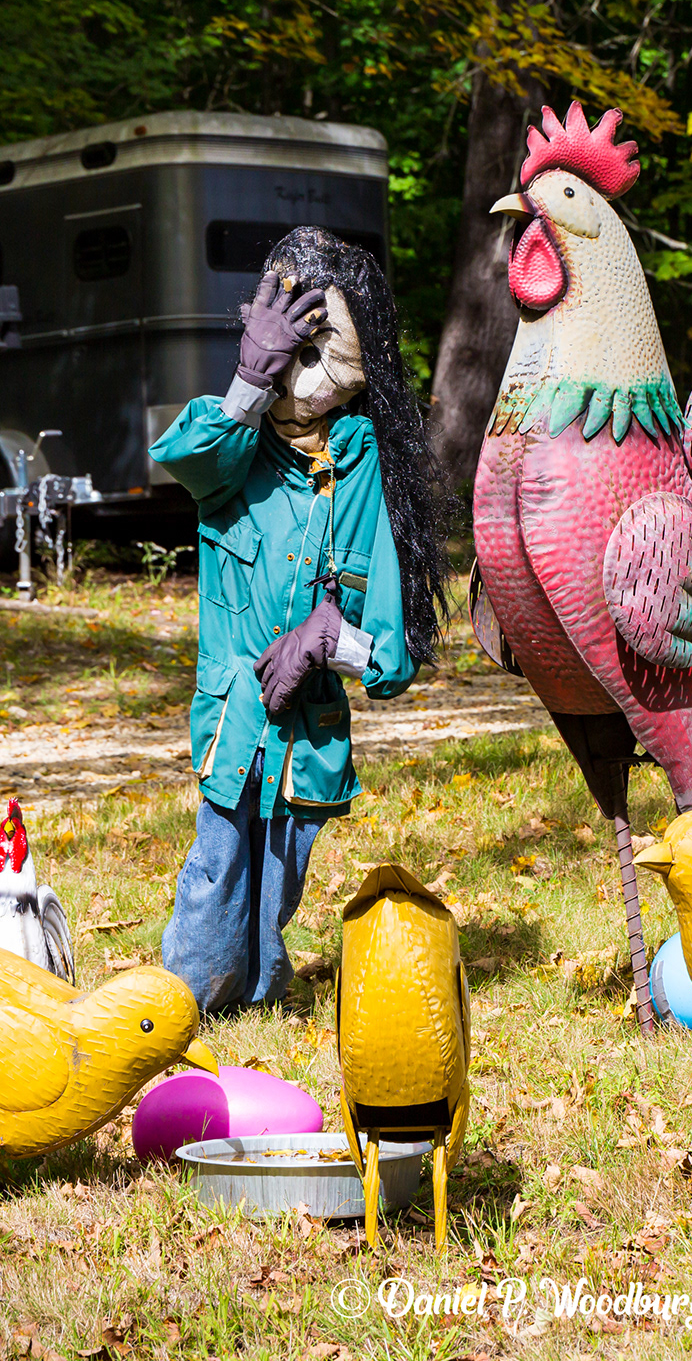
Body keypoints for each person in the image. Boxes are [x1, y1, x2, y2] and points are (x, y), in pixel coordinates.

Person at [149, 227, 448, 1014]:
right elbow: (188, 459)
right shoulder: (236, 450)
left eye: (333, 366)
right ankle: (181, 1005)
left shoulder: (364, 474)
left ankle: (257, 991)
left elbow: (393, 657)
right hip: (234, 722)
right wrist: (250, 380)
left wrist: (330, 641)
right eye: (297, 355)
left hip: (306, 747)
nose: (309, 383)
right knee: (213, 885)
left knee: (274, 896)